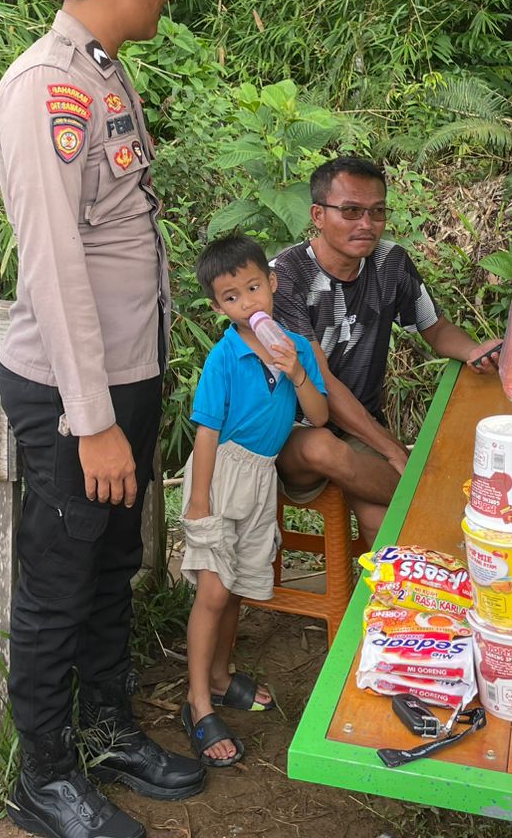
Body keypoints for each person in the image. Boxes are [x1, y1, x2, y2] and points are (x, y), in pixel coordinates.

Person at [0, 0, 205, 838]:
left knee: (113, 565)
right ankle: (42, 774)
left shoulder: (104, 73)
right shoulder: (46, 91)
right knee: (60, 576)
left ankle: (109, 726)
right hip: (73, 394)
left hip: (123, 378)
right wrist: (93, 424)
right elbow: (53, 270)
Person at [273, 156, 503, 546]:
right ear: (317, 214)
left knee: (382, 520)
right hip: (289, 429)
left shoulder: (390, 262)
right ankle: (454, 510)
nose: (366, 224)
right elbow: (321, 382)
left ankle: (377, 602)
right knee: (323, 448)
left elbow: (435, 328)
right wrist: (394, 450)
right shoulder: (284, 276)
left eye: (377, 211)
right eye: (350, 211)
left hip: (356, 423)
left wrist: (472, 350)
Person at [180, 234, 331, 766]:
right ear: (219, 306)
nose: (247, 303)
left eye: (253, 288)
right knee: (214, 594)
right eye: (231, 297)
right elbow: (205, 430)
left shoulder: (299, 349)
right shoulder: (225, 357)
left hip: (261, 477)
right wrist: (199, 502)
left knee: (239, 588)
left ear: (273, 283)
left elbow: (319, 417)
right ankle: (197, 703)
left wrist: (295, 371)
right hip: (220, 475)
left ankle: (221, 678)